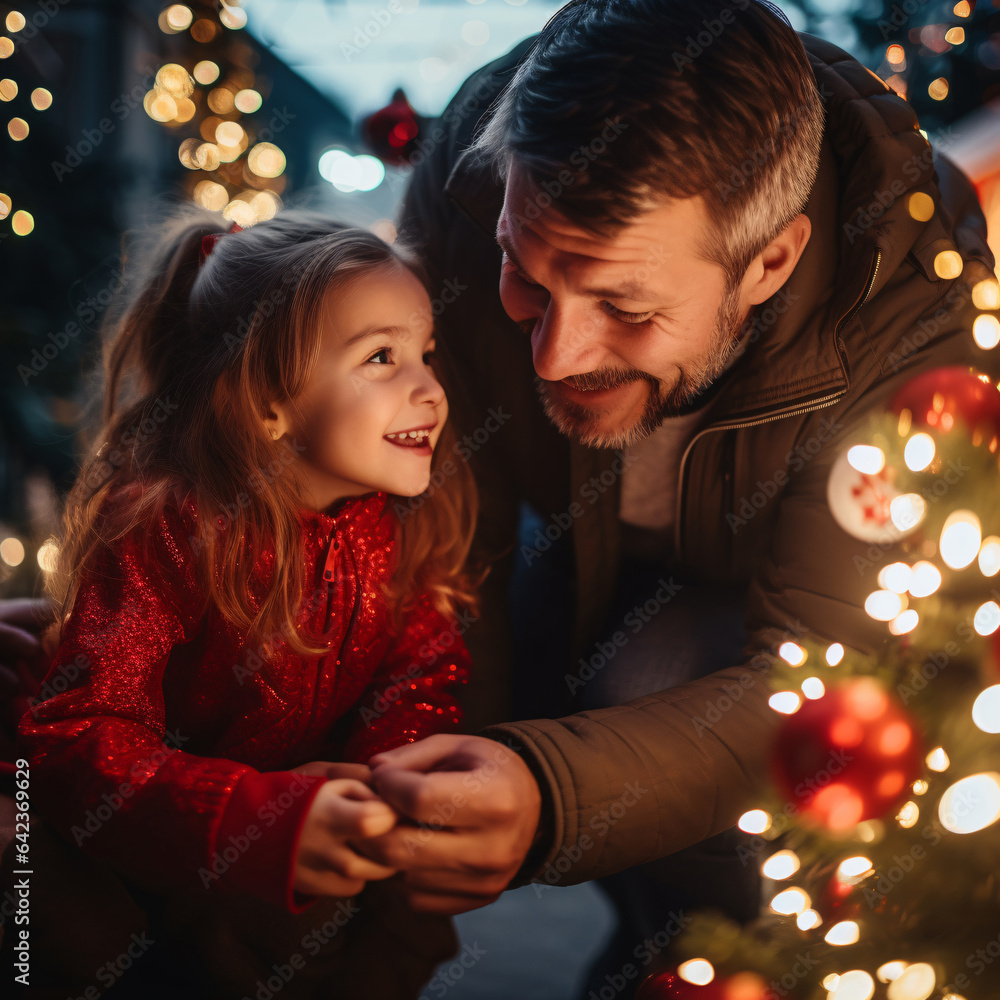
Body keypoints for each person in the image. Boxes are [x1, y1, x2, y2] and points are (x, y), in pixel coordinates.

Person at [342, 0, 996, 994]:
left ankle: (699, 953)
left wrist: (549, 800)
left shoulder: (908, 285)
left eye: (626, 307)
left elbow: (813, 676)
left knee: (659, 695)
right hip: (554, 552)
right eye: (526, 274)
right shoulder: (471, 175)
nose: (555, 355)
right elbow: (427, 512)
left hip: (804, 636)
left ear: (769, 260)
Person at [1, 207, 479, 999]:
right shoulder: (167, 526)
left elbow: (422, 673)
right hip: (104, 824)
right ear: (265, 403)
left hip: (278, 817)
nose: (430, 388)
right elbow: (78, 739)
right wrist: (249, 818)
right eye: (383, 358)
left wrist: (383, 790)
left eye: (426, 355)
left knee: (391, 918)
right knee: (47, 904)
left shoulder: (398, 528)